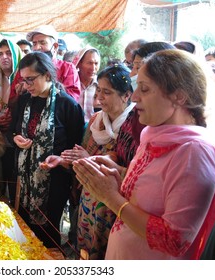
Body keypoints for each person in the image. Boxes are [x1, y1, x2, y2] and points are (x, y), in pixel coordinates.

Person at [73, 49, 215, 260]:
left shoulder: (193, 152)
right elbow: (153, 193)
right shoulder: (155, 134)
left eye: (143, 89)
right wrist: (118, 174)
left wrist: (110, 197)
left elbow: (174, 240)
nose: (134, 97)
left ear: (179, 96)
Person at [42, 64, 135, 259]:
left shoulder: (134, 127)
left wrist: (90, 160)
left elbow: (133, 174)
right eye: (99, 90)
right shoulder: (95, 121)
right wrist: (62, 160)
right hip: (87, 201)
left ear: (126, 95)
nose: (99, 96)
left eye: (107, 92)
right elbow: (81, 158)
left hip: (115, 208)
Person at [8, 51, 84, 248]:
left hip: (53, 181)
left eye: (31, 80)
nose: (26, 86)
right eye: (24, 80)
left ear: (48, 75)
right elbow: (12, 131)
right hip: (23, 180)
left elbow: (75, 147)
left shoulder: (67, 105)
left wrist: (59, 159)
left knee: (48, 234)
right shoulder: (24, 101)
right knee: (22, 230)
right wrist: (15, 138)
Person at [0, 38, 23, 205]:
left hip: (18, 140)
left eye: (8, 53)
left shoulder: (25, 80)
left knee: (16, 185)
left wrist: (12, 117)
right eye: (0, 54)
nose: (4, 57)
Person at [26, 25, 81, 102]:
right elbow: (12, 100)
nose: (37, 47)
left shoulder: (68, 68)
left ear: (55, 46)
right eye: (34, 44)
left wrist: (52, 88)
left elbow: (72, 100)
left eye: (42, 42)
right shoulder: (26, 68)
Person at [72, 47, 101, 122]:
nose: (93, 68)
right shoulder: (71, 84)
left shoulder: (101, 86)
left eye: (96, 63)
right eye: (89, 63)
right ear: (79, 64)